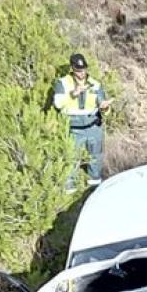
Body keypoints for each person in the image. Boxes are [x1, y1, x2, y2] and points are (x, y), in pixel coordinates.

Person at [53, 53, 112, 191]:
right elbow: (58, 104)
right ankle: (69, 189)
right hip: (73, 129)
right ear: (72, 68)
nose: (82, 73)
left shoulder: (95, 84)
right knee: (71, 158)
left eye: (84, 69)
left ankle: (94, 185)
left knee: (95, 156)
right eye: (78, 70)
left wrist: (105, 107)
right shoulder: (63, 83)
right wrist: (72, 94)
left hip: (93, 127)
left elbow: (103, 109)